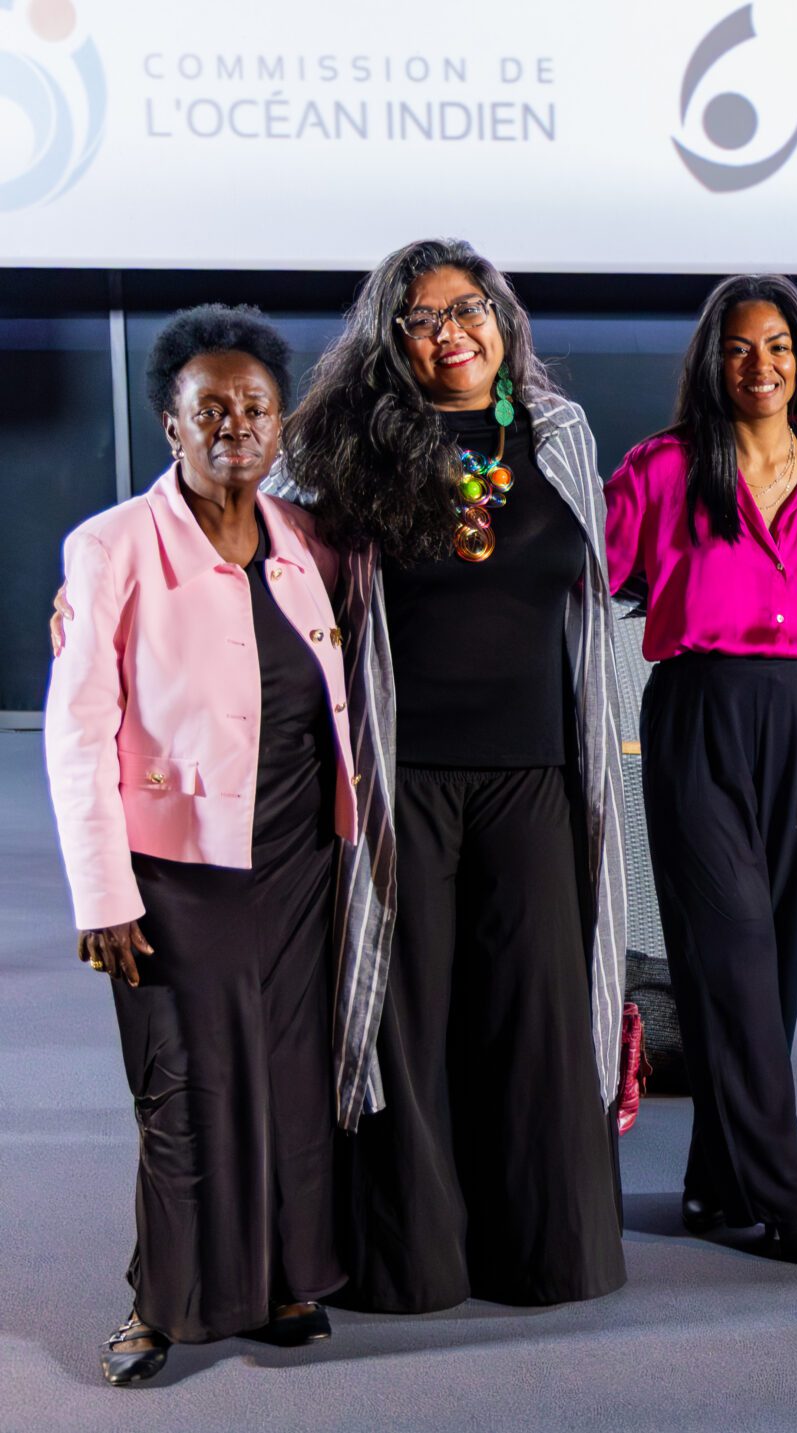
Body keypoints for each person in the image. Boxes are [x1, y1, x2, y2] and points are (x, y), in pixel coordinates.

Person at [280, 238, 628, 1310]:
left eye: (468, 309)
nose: (452, 334)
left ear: (502, 317)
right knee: (409, 1016)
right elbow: (237, 513)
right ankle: (414, 1263)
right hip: (403, 778)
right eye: (423, 319)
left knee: (535, 1017)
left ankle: (542, 1253)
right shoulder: (345, 446)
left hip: (538, 776)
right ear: (393, 339)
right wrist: (97, 583)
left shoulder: (561, 436)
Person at [46, 306, 357, 1384]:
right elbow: (75, 729)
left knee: (288, 1078)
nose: (236, 424)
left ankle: (280, 1279)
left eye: (255, 406)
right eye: (209, 408)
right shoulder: (111, 546)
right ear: (171, 425)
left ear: (281, 423)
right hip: (174, 868)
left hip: (299, 856)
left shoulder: (305, 539)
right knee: (184, 1088)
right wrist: (103, 892)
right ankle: (160, 1302)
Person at [605, 274, 797, 1266]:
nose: (761, 364)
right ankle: (787, 1194)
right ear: (714, 360)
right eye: (741, 347)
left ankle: (715, 1177)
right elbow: (580, 568)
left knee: (773, 960)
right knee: (736, 949)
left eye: (778, 345)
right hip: (699, 709)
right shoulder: (661, 465)